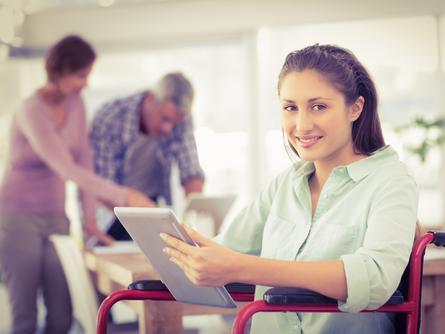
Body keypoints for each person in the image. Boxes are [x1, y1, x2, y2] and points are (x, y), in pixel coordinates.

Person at [160, 44, 418, 333]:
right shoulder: (286, 183)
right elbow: (227, 249)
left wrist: (242, 267)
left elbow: (375, 278)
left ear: (355, 108)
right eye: (290, 108)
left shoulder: (391, 180)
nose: (302, 125)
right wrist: (185, 250)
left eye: (318, 107)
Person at [0, 35, 152, 334]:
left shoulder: (76, 103)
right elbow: (66, 168)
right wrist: (124, 195)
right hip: (17, 220)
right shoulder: (31, 110)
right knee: (25, 315)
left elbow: (84, 163)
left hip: (57, 219)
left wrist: (91, 222)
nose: (86, 83)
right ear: (58, 71)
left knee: (61, 314)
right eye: (80, 74)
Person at [90, 72, 205, 240]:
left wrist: (197, 216)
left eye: (175, 123)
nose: (168, 128)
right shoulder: (110, 118)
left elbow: (191, 171)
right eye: (164, 119)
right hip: (110, 214)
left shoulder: (181, 118)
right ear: (151, 99)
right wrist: (136, 204)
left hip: (152, 205)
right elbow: (102, 185)